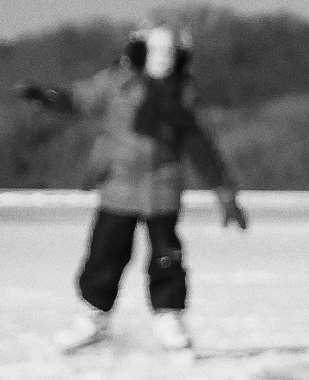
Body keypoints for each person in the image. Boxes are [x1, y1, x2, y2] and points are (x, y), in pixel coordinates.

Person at [18, 23, 247, 357]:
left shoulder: (185, 95)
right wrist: (48, 97)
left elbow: (201, 146)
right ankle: (93, 317)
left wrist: (225, 193)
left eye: (170, 54)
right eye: (155, 53)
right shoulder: (116, 82)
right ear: (139, 51)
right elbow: (79, 98)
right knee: (105, 254)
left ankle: (169, 318)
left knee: (167, 258)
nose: (162, 61)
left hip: (163, 187)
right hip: (118, 185)